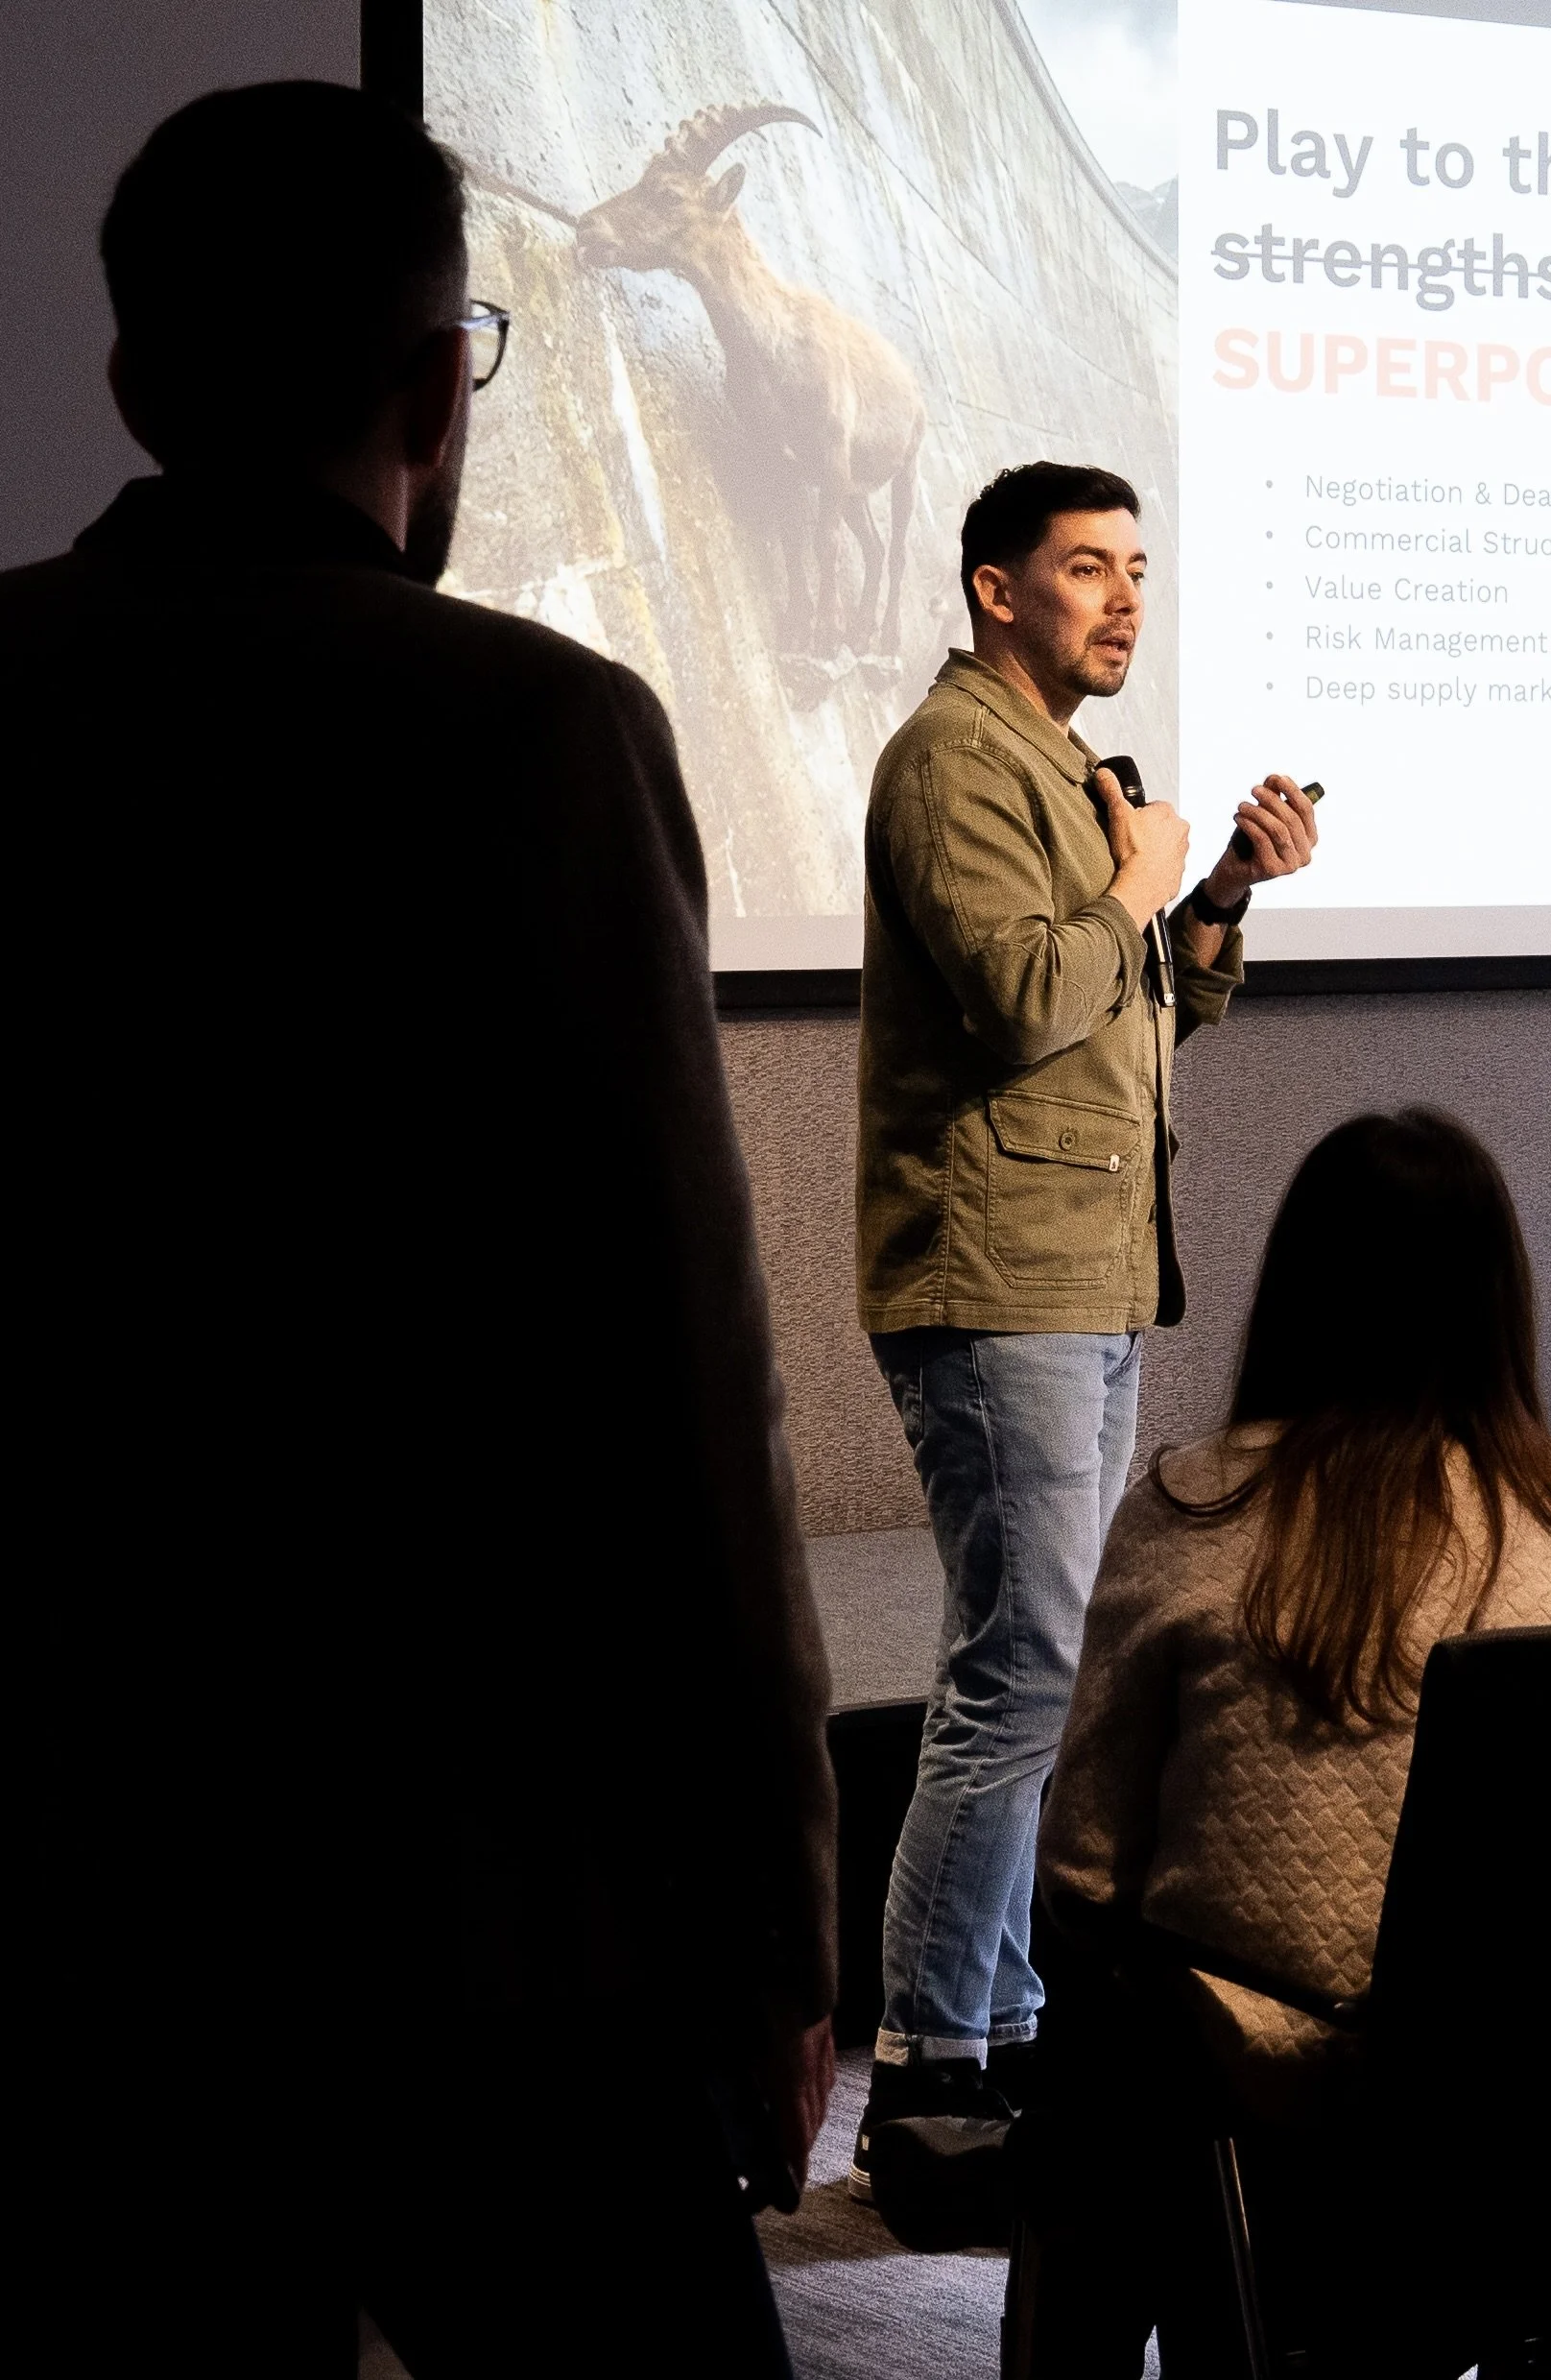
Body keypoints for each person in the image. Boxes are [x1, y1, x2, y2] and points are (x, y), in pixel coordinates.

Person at [4, 83, 834, 2375]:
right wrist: (771, 1923)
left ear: (129, 380)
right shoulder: (537, 732)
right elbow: (685, 1380)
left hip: (72, 1871)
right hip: (481, 1902)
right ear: (436, 388)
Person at [1019, 1106, 1551, 2372]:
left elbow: (1082, 1869)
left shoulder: (1199, 1509)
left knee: (1100, 2037)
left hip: (1278, 2122)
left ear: (1297, 1294)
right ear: (1501, 1301)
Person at [849, 460, 1320, 2192]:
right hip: (995, 1281)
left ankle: (1004, 2031)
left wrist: (1216, 896)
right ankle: (928, 2081)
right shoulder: (951, 760)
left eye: (1136, 567)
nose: (1124, 599)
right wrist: (1136, 881)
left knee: (1034, 1669)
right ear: (995, 589)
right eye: (1084, 569)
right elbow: (1024, 994)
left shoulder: (1064, 768)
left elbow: (1128, 1023)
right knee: (1018, 1673)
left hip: (1089, 1272)